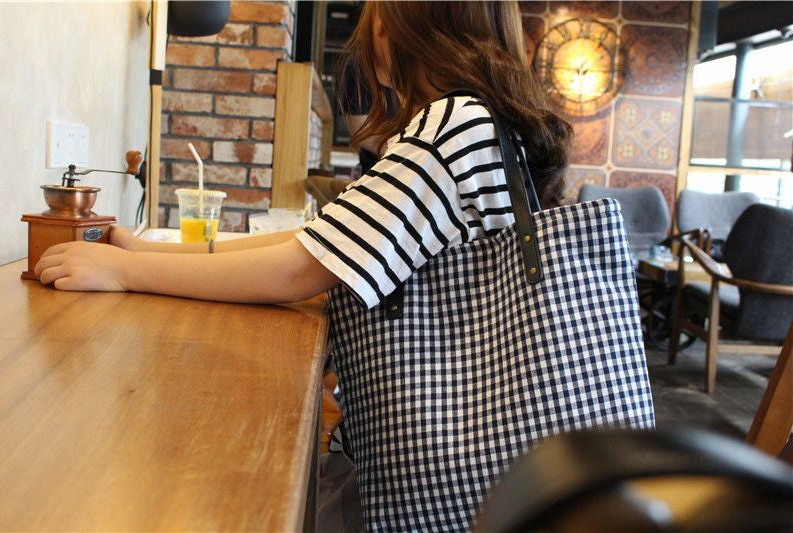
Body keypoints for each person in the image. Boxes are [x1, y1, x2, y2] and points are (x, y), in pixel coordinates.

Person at [36, 2, 573, 529]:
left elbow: (300, 269)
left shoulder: (452, 125)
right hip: (493, 477)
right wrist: (144, 253)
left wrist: (122, 273)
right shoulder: (483, 123)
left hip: (445, 485)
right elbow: (321, 241)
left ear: (396, 26)